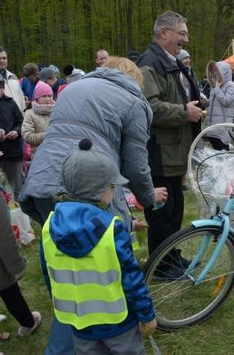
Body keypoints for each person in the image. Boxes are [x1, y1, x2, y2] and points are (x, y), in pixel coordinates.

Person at [18, 57, 167, 355]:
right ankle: (110, 332)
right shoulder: (133, 101)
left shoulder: (73, 88)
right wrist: (149, 197)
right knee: (104, 268)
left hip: (45, 178)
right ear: (134, 79)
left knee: (68, 269)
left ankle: (72, 338)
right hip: (90, 184)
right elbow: (136, 163)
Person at [41, 138, 156, 355]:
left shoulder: (48, 228)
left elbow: (50, 277)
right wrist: (147, 315)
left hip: (78, 323)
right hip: (118, 321)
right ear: (102, 190)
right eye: (113, 186)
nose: (114, 190)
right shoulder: (113, 229)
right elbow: (131, 278)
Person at [137, 11, 202, 257]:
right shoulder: (149, 64)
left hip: (174, 152)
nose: (185, 40)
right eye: (182, 33)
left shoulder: (169, 60)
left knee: (174, 213)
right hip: (160, 154)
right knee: (162, 215)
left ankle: (170, 257)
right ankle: (162, 264)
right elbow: (149, 107)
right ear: (164, 33)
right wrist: (184, 112)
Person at [0, 136, 42, 339]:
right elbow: (3, 237)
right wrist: (17, 266)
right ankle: (28, 323)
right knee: (9, 290)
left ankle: (28, 321)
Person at [0, 70, 24, 200]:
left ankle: (22, 215)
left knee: (18, 187)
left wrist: (17, 131)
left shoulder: (10, 103)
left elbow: (20, 122)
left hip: (14, 152)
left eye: (1, 87)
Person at [204, 61, 234, 151]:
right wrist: (205, 102)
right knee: (215, 149)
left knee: (222, 150)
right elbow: (214, 103)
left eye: (217, 71)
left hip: (222, 125)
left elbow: (226, 101)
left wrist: (217, 89)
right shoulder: (215, 86)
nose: (214, 74)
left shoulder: (231, 86)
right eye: (213, 71)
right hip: (212, 125)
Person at [21, 82, 55, 155]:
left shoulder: (57, 111)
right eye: (44, 96)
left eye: (50, 96)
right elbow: (27, 135)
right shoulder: (30, 114)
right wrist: (47, 135)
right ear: (37, 98)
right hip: (38, 154)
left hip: (56, 152)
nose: (48, 99)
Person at [0, 45, 25, 114]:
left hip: (18, 120)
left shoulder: (13, 76)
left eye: (4, 58)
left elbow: (21, 98)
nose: (2, 61)